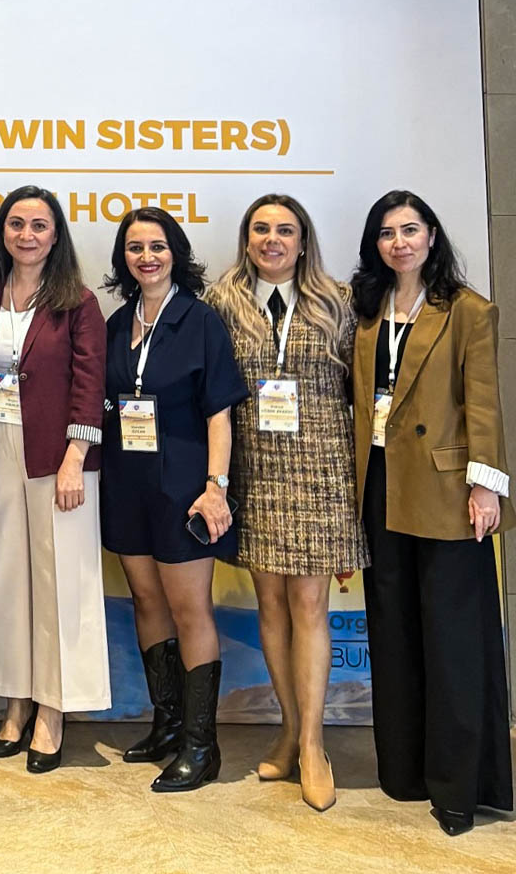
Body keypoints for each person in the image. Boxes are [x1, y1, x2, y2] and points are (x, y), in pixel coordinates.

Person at [350, 189, 512, 836]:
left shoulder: (467, 309)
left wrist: (486, 487)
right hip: (381, 487)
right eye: (388, 232)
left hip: (448, 491)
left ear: (432, 236)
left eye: (410, 229)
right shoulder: (368, 310)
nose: (400, 242)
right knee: (393, 631)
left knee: (453, 639)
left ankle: (459, 787)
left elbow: (484, 404)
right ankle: (405, 771)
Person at [203, 194, 366, 811]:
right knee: (270, 604)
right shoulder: (222, 303)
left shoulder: (339, 301)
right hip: (255, 471)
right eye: (261, 229)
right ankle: (291, 729)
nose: (272, 239)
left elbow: (360, 388)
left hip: (322, 472)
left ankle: (316, 746)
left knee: (310, 605)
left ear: (303, 241)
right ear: (247, 239)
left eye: (285, 230)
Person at [100, 206, 248, 792]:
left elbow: (219, 413)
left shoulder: (200, 320)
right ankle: (167, 725)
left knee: (190, 611)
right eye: (135, 247)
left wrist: (216, 487)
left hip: (184, 486)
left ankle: (201, 745)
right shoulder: (117, 324)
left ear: (175, 253)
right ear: (124, 258)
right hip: (127, 483)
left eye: (157, 246)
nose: (147, 257)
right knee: (145, 601)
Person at [0, 186, 110, 774]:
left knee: (59, 583)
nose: (27, 235)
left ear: (56, 236)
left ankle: (53, 709)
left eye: (39, 225)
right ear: (3, 231)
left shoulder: (77, 301)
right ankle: (16, 702)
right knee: (5, 578)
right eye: (17, 224)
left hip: (58, 457)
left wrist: (76, 456)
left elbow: (90, 381)